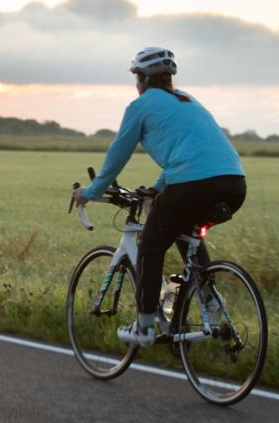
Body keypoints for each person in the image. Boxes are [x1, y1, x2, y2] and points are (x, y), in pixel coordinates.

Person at [72, 47, 246, 347]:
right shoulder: (189, 100)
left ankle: (145, 327)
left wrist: (91, 191)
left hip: (193, 185)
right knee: (185, 232)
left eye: (136, 77)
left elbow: (118, 153)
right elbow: (189, 154)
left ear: (141, 78)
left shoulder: (140, 106)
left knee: (151, 244)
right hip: (234, 184)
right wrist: (157, 187)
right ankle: (210, 300)